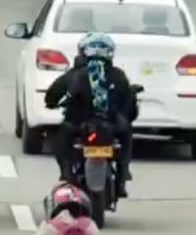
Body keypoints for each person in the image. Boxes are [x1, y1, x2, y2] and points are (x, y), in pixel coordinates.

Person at [41, 33, 140, 195]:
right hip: (111, 124)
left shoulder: (74, 74)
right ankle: (123, 171)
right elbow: (130, 108)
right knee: (126, 133)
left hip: (79, 124)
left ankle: (66, 172)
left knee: (62, 135)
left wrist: (52, 103)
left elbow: (52, 95)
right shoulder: (118, 75)